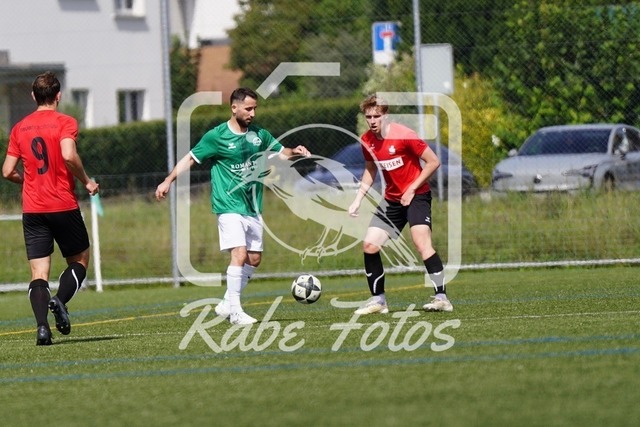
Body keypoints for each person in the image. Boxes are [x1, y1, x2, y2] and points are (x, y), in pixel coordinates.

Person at [155, 87, 310, 325]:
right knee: (239, 254)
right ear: (234, 107)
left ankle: (227, 304)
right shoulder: (216, 136)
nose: (253, 113)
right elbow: (190, 158)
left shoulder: (259, 134)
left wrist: (296, 152)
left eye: (255, 109)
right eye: (248, 109)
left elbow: (282, 153)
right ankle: (236, 313)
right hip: (227, 205)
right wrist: (168, 180)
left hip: (252, 206)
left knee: (254, 259)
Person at [2, 71, 99, 345]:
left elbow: (7, 171)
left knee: (38, 273)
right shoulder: (65, 122)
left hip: (33, 209)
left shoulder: (19, 128)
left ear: (33, 96)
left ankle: (42, 327)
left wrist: (27, 180)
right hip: (62, 204)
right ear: (58, 96)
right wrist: (87, 181)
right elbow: (68, 154)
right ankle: (60, 300)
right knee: (79, 260)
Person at [348, 94, 453, 314]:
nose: (372, 120)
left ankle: (442, 298)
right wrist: (357, 199)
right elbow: (370, 170)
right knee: (369, 245)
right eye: (369, 117)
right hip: (392, 200)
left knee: (422, 243)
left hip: (417, 196)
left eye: (377, 116)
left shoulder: (405, 135)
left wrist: (412, 189)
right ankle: (379, 301)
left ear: (385, 115)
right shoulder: (367, 140)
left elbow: (433, 162)